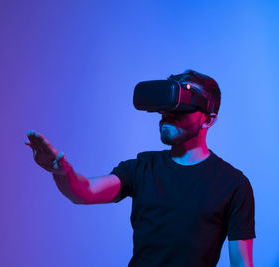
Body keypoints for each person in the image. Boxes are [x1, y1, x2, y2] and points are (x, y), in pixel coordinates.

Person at [25, 69, 256, 267]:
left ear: (208, 120)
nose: (167, 114)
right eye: (166, 107)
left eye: (181, 108)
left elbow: (241, 264)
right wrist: (60, 170)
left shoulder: (233, 185)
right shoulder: (143, 167)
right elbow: (84, 192)